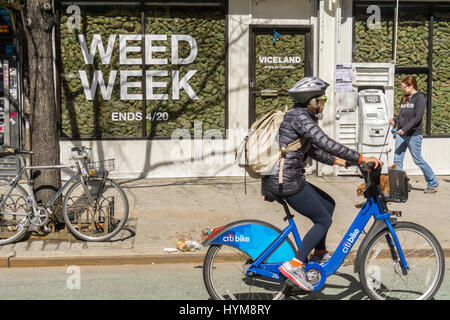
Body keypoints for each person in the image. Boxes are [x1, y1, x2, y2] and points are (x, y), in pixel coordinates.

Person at [261, 77, 383, 291]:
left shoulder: (301, 116)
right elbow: (325, 143)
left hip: (290, 178)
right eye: (322, 98)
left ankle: (318, 253)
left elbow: (313, 150)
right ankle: (295, 265)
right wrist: (361, 158)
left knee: (328, 205)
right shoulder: (301, 117)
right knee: (323, 220)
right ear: (311, 100)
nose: (324, 102)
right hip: (286, 181)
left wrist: (342, 162)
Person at [389, 75, 439, 194]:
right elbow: (403, 115)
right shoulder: (404, 98)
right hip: (401, 134)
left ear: (411, 86)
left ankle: (433, 182)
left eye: (404, 87)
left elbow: (418, 117)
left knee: (417, 159)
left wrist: (405, 129)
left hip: (414, 134)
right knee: (397, 159)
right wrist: (395, 120)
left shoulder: (420, 98)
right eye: (401, 87)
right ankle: (398, 187)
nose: (403, 89)